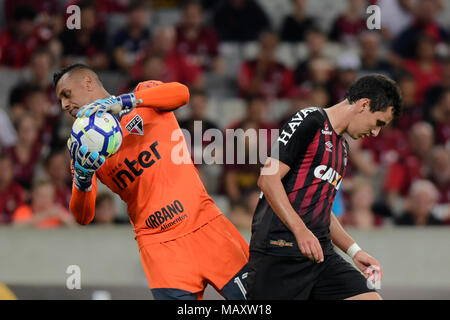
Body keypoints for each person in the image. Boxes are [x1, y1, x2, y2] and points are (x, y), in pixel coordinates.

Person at [53, 64, 249, 300]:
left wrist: (127, 101)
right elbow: (82, 217)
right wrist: (83, 178)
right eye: (60, 100)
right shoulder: (83, 149)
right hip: (160, 248)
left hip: (205, 224)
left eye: (66, 94)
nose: (64, 105)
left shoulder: (145, 96)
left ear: (87, 82)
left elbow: (182, 94)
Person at [247, 74, 403, 300]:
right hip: (279, 250)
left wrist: (354, 251)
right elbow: (268, 179)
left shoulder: (342, 149)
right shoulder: (309, 119)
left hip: (319, 254)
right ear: (364, 105)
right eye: (378, 123)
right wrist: (300, 230)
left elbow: (321, 209)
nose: (375, 132)